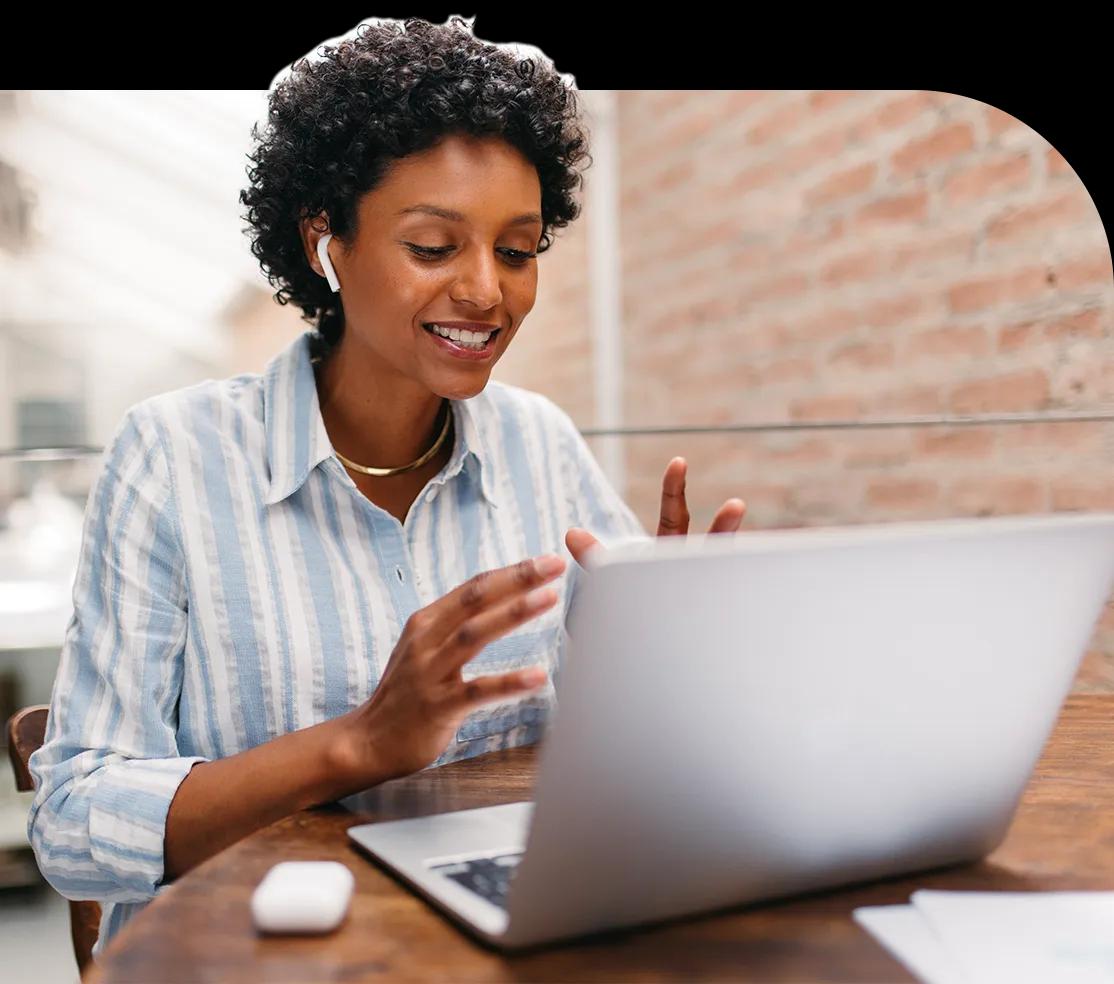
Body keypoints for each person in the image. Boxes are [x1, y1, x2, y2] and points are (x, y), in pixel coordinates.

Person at [25, 16, 746, 957]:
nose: (488, 292)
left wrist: (669, 651)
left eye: (518, 251)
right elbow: (74, 825)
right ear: (326, 244)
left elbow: (617, 748)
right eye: (434, 247)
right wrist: (357, 744)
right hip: (256, 958)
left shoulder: (541, 445)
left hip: (502, 940)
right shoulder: (175, 456)